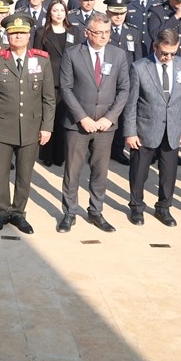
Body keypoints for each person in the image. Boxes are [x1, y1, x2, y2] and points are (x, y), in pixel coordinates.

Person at [0, 14, 54, 234]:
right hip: (2, 128)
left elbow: (48, 98)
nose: (18, 36)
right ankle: (2, 212)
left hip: (31, 128)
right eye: (14, 33)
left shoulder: (42, 60)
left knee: (24, 174)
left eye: (22, 33)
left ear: (29, 35)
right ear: (7, 35)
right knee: (1, 174)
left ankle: (19, 213)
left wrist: (46, 127)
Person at [57, 12, 130, 233]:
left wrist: (110, 118)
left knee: (100, 171)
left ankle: (96, 211)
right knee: (73, 170)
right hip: (78, 124)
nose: (104, 37)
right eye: (99, 33)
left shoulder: (118, 55)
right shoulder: (72, 54)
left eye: (107, 33)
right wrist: (83, 118)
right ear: (87, 32)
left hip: (106, 126)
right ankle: (69, 212)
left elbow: (124, 88)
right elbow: (66, 88)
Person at [122, 29, 181, 227]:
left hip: (173, 130)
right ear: (155, 46)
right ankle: (136, 207)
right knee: (139, 172)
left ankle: (164, 207)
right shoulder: (139, 67)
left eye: (172, 54)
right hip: (145, 130)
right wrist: (130, 132)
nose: (168, 57)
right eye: (164, 53)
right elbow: (131, 103)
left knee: (168, 174)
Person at [35, 0, 75, 168]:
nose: (58, 14)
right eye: (55, 10)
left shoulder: (74, 32)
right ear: (49, 13)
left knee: (64, 119)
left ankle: (61, 154)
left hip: (69, 81)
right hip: (49, 80)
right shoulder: (41, 32)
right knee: (48, 118)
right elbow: (36, 57)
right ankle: (46, 154)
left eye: (61, 10)